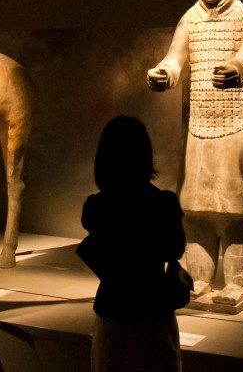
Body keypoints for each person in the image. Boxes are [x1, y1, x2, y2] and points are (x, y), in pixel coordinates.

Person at [146, 0, 243, 306]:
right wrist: (165, 73)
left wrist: (239, 67)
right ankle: (199, 279)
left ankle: (237, 283)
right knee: (196, 210)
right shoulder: (190, 18)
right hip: (198, 126)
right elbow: (176, 56)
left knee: (237, 212)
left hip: (233, 126)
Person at [79, 115, 185, 372]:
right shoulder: (164, 203)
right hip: (154, 310)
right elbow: (176, 249)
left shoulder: (97, 206)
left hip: (113, 309)